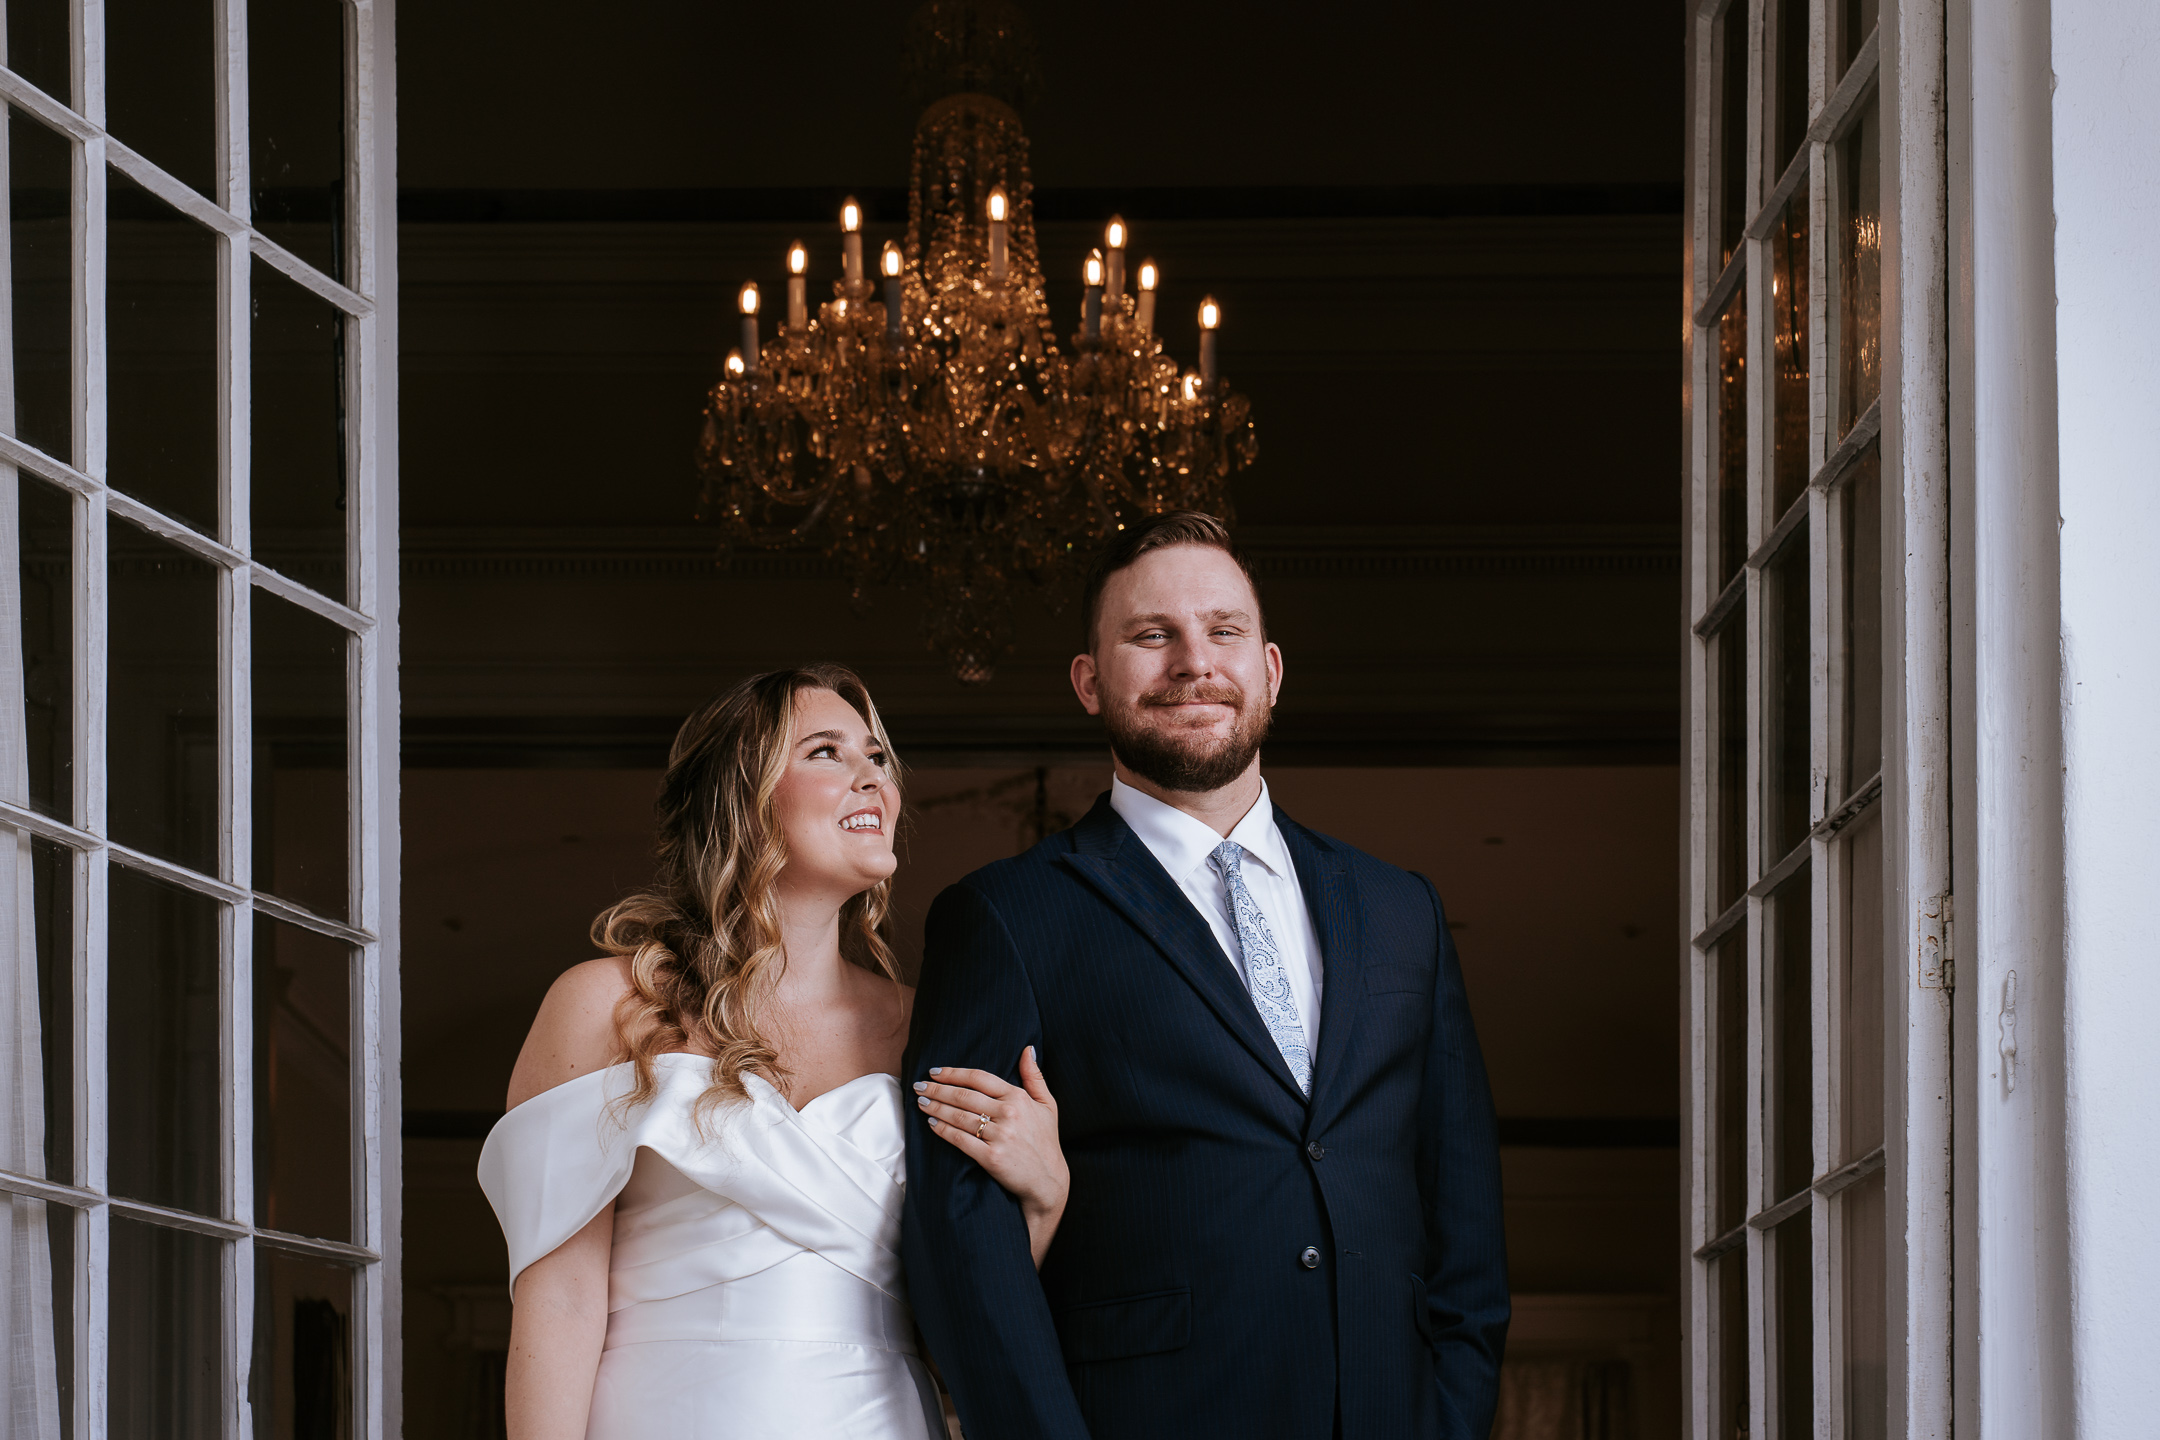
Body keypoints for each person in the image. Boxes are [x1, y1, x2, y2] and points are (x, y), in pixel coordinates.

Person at [902, 512, 1510, 1440]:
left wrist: (1453, 1418)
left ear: (1269, 669)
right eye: (1153, 636)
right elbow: (966, 1243)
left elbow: (1462, 1213)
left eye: (1223, 631)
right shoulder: (1004, 917)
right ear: (1089, 683)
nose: (1195, 661)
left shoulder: (1402, 910)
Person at [477, 665, 1068, 1440]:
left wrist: (1044, 1194)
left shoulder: (930, 1029)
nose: (872, 780)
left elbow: (958, 1326)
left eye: (878, 758)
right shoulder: (605, 1006)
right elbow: (559, 1301)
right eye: (827, 752)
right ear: (740, 799)